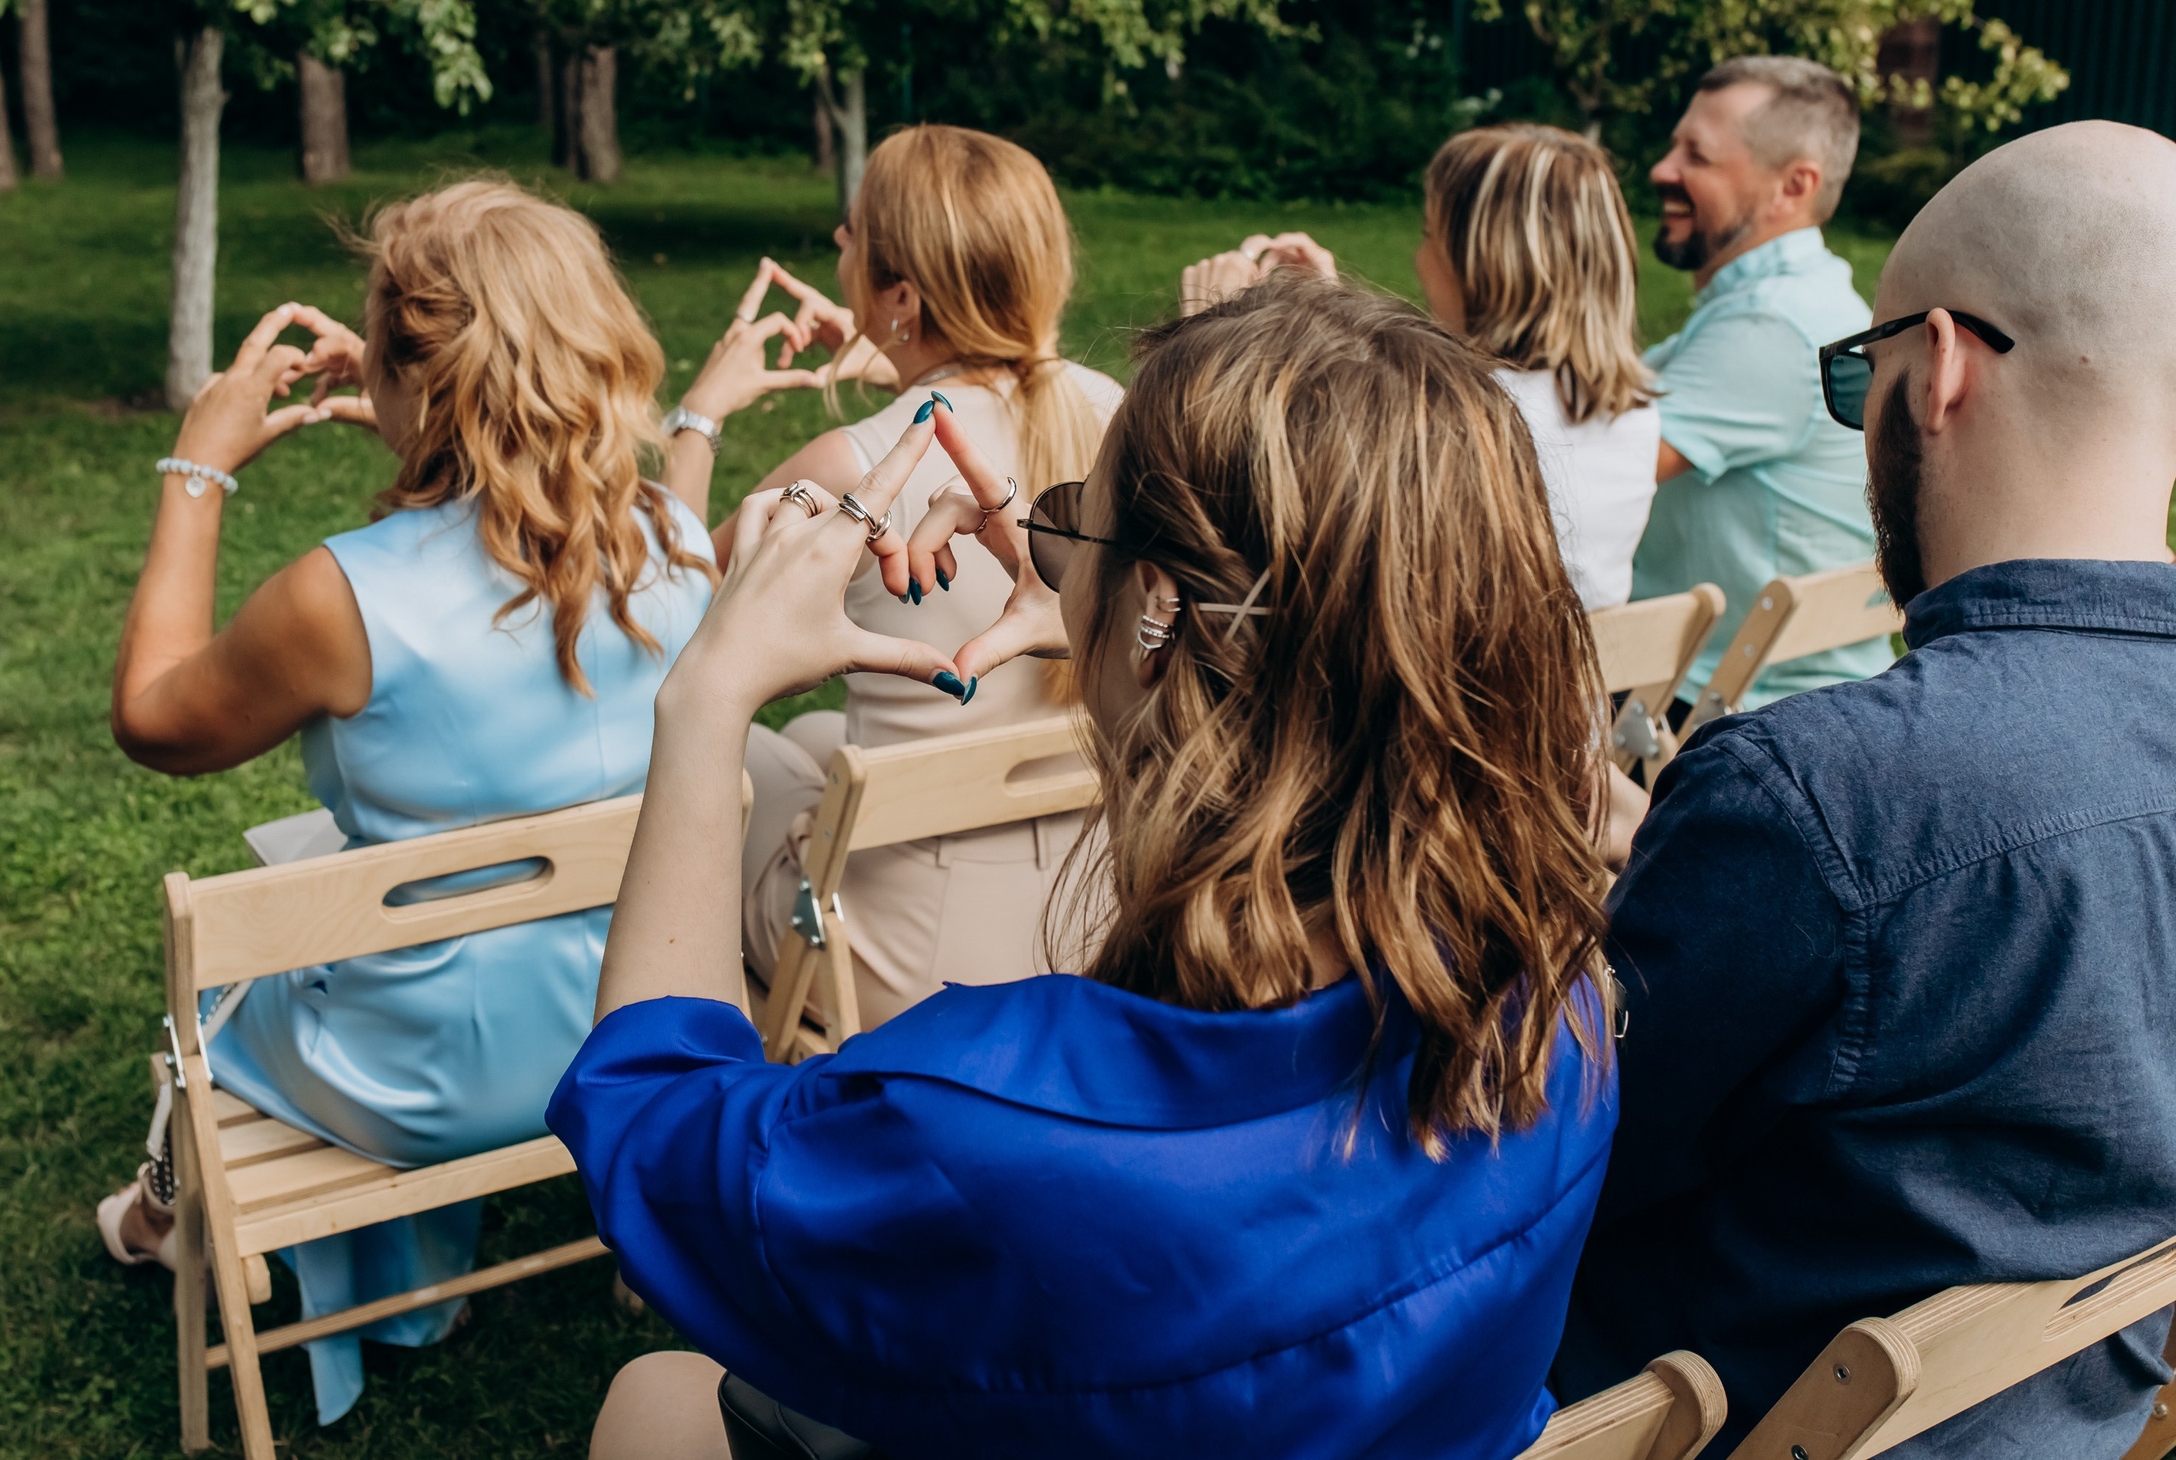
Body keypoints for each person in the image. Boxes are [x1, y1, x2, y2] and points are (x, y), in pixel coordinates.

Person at [555, 273, 1621, 1459]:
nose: (1053, 551)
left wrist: (707, 699)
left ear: (1166, 608)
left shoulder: (990, 1128)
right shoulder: (1556, 995)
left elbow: (648, 1123)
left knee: (653, 1401)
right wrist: (1108, 592)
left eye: (1078, 520)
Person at [1554, 121, 2176, 1458]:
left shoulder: (1818, 789)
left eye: (1863, 375)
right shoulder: (1816, 809)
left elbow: (1559, 1164)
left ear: (1941, 366)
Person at [95, 179, 715, 1424]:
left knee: (226, 999)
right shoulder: (683, 541)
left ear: (404, 370)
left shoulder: (340, 595)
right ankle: (412, 1284)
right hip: (628, 1028)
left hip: (417, 1076)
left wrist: (196, 466)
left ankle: (163, 1213)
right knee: (356, 913)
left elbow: (153, 719)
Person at [658, 124, 1122, 1030]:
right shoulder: (1120, 412)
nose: (837, 242)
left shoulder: (853, 464)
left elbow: (663, 602)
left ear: (901, 293)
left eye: (852, 232)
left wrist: (699, 418)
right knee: (830, 729)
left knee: (752, 751)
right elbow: (1006, 386)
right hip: (1093, 925)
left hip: (910, 967)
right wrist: (905, 351)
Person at [1182, 124, 1660, 609]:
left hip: (1445, 683)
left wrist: (1206, 336)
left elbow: (1247, 519)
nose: (1419, 258)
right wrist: (1329, 309)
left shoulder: (1452, 414)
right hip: (1582, 683)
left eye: (1429, 235)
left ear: (1480, 265)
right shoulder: (1635, 412)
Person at [1629, 55, 1888, 709]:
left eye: (1698, 156)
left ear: (1792, 187)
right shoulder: (1796, 302)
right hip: (1786, 693)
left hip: (1724, 714)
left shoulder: (1773, 327)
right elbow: (1605, 396)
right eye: (1673, 146)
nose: (1664, 169)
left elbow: (1569, 471)